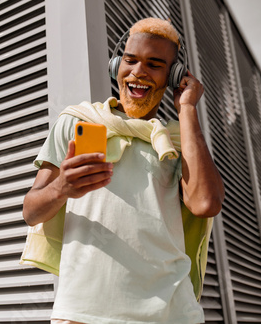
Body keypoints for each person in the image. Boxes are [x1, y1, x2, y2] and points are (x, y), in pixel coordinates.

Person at [21, 18, 225, 323]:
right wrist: (61, 187)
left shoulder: (178, 140)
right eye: (130, 60)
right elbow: (31, 212)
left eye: (155, 65)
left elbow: (205, 203)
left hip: (171, 312)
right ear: (116, 64)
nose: (139, 71)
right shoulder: (77, 121)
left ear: (173, 77)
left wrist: (187, 110)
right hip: (84, 310)